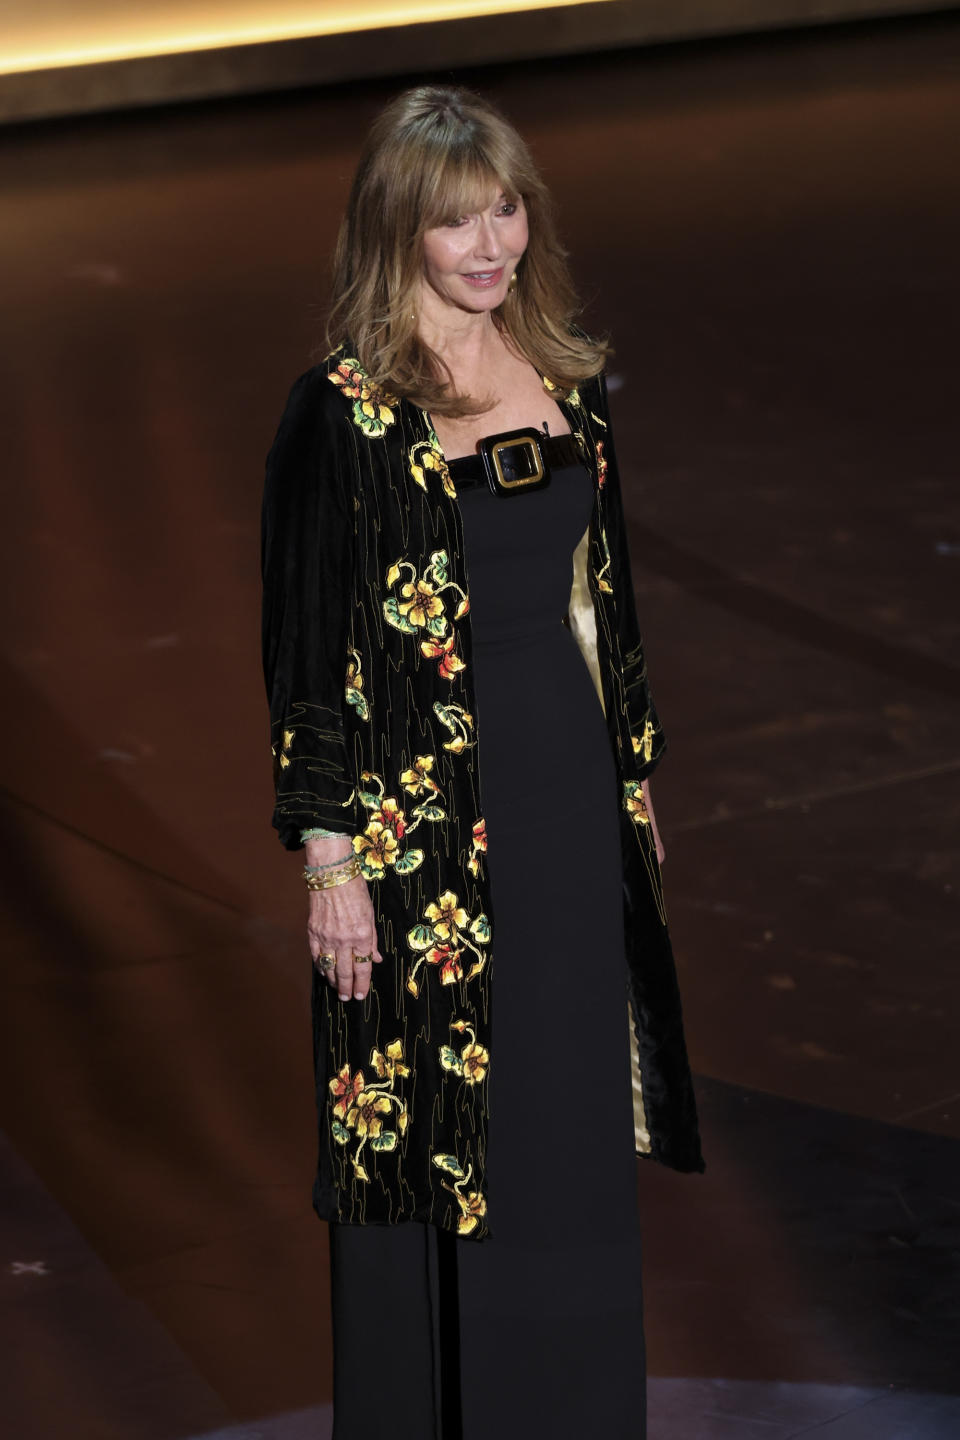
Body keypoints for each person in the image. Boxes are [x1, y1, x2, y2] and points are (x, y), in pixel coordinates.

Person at [262, 84, 704, 1440]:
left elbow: (606, 602)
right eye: (457, 220)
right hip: (424, 844)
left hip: (568, 810)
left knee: (568, 1127)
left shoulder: (569, 375)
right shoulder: (341, 415)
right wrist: (331, 862)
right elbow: (303, 654)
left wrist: (633, 780)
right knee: (437, 1145)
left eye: (504, 207)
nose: (490, 242)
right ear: (401, 232)